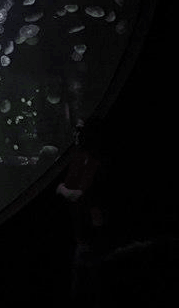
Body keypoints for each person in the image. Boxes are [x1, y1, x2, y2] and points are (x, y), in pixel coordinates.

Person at [55, 116, 112, 307]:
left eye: (79, 130)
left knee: (91, 284)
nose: (75, 133)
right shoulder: (80, 158)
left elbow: (76, 193)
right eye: (76, 130)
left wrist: (63, 189)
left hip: (94, 237)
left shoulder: (95, 161)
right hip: (80, 234)